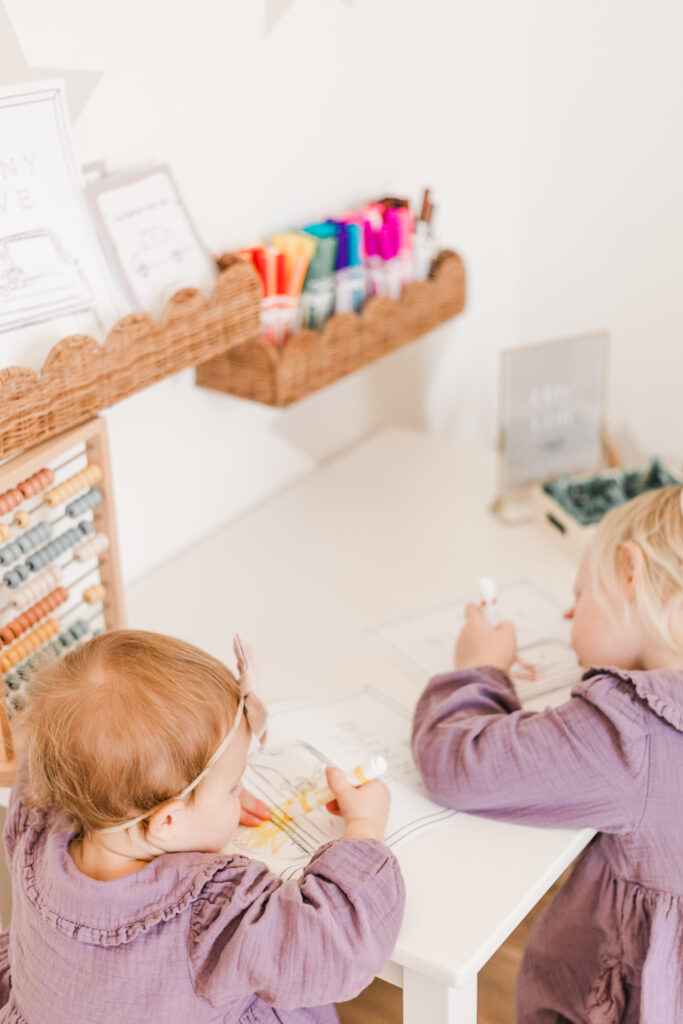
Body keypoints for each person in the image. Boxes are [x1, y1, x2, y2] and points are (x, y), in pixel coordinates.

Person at [1, 630, 404, 1023]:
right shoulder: (211, 912)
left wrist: (201, 801)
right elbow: (332, 949)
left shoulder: (37, 820)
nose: (240, 790)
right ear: (168, 821)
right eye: (232, 785)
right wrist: (364, 825)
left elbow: (60, 752)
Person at [412, 486, 683, 1022]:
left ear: (631, 572)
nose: (567, 615)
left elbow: (454, 762)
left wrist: (480, 666)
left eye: (580, 595)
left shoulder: (631, 733)